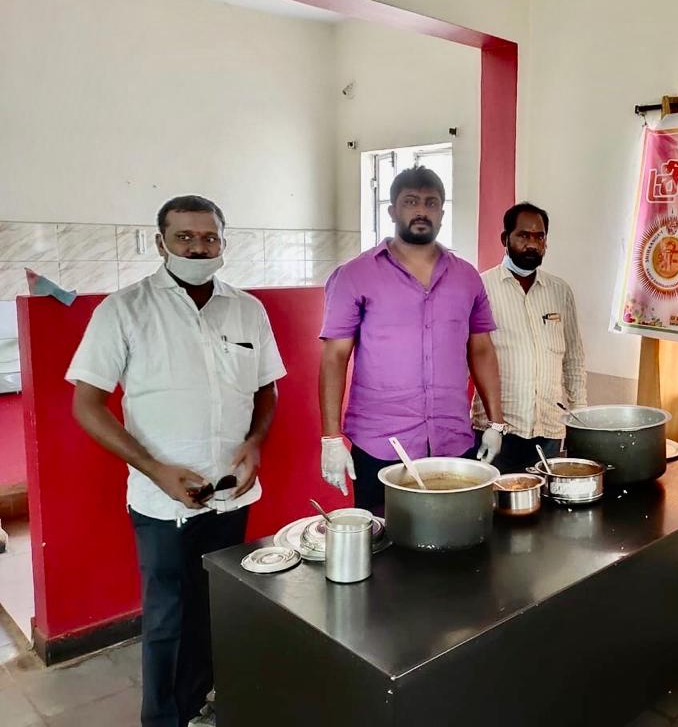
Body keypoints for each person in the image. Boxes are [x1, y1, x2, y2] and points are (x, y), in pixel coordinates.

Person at [67, 195, 286, 727]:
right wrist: (155, 470)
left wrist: (255, 441)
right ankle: (164, 720)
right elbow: (86, 405)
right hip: (161, 502)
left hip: (231, 494)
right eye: (184, 237)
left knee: (216, 608)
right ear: (160, 242)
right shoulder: (123, 310)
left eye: (209, 237)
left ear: (223, 243)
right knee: (168, 619)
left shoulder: (247, 309)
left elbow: (267, 389)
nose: (197, 247)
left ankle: (201, 706)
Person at [319, 166, 505, 511]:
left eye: (431, 203)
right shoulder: (355, 275)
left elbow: (481, 350)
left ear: (442, 213)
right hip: (380, 446)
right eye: (411, 201)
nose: (422, 211)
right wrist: (330, 437)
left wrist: (496, 423)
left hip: (452, 441)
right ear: (392, 210)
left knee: (455, 534)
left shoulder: (466, 277)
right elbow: (335, 357)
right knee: (385, 538)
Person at [472, 202, 587, 472]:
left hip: (549, 429)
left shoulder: (559, 291)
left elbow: (573, 359)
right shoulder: (481, 288)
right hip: (497, 431)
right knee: (494, 498)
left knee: (547, 498)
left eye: (539, 237)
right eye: (523, 235)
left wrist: (581, 419)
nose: (532, 244)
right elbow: (468, 358)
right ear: (505, 238)